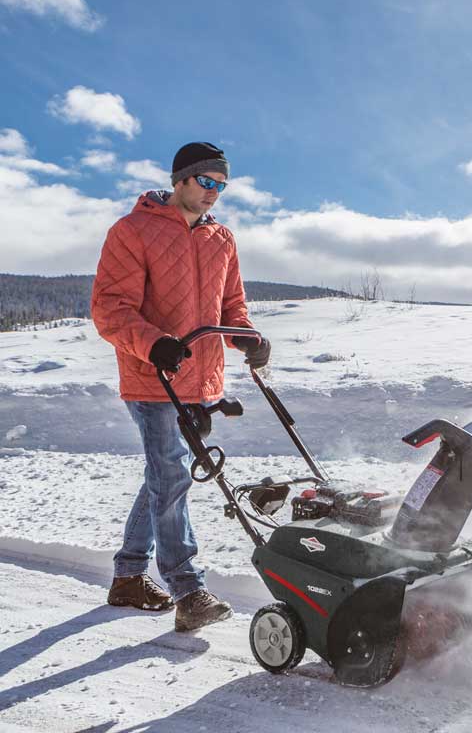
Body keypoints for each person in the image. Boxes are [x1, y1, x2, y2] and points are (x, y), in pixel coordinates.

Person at [91, 141, 272, 632]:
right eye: (206, 182)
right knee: (170, 475)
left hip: (200, 381)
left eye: (222, 186)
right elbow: (110, 310)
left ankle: (129, 575)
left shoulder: (222, 238)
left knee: (164, 474)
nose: (214, 193)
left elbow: (231, 307)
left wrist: (248, 339)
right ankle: (187, 589)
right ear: (181, 179)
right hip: (151, 377)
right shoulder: (133, 230)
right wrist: (154, 344)